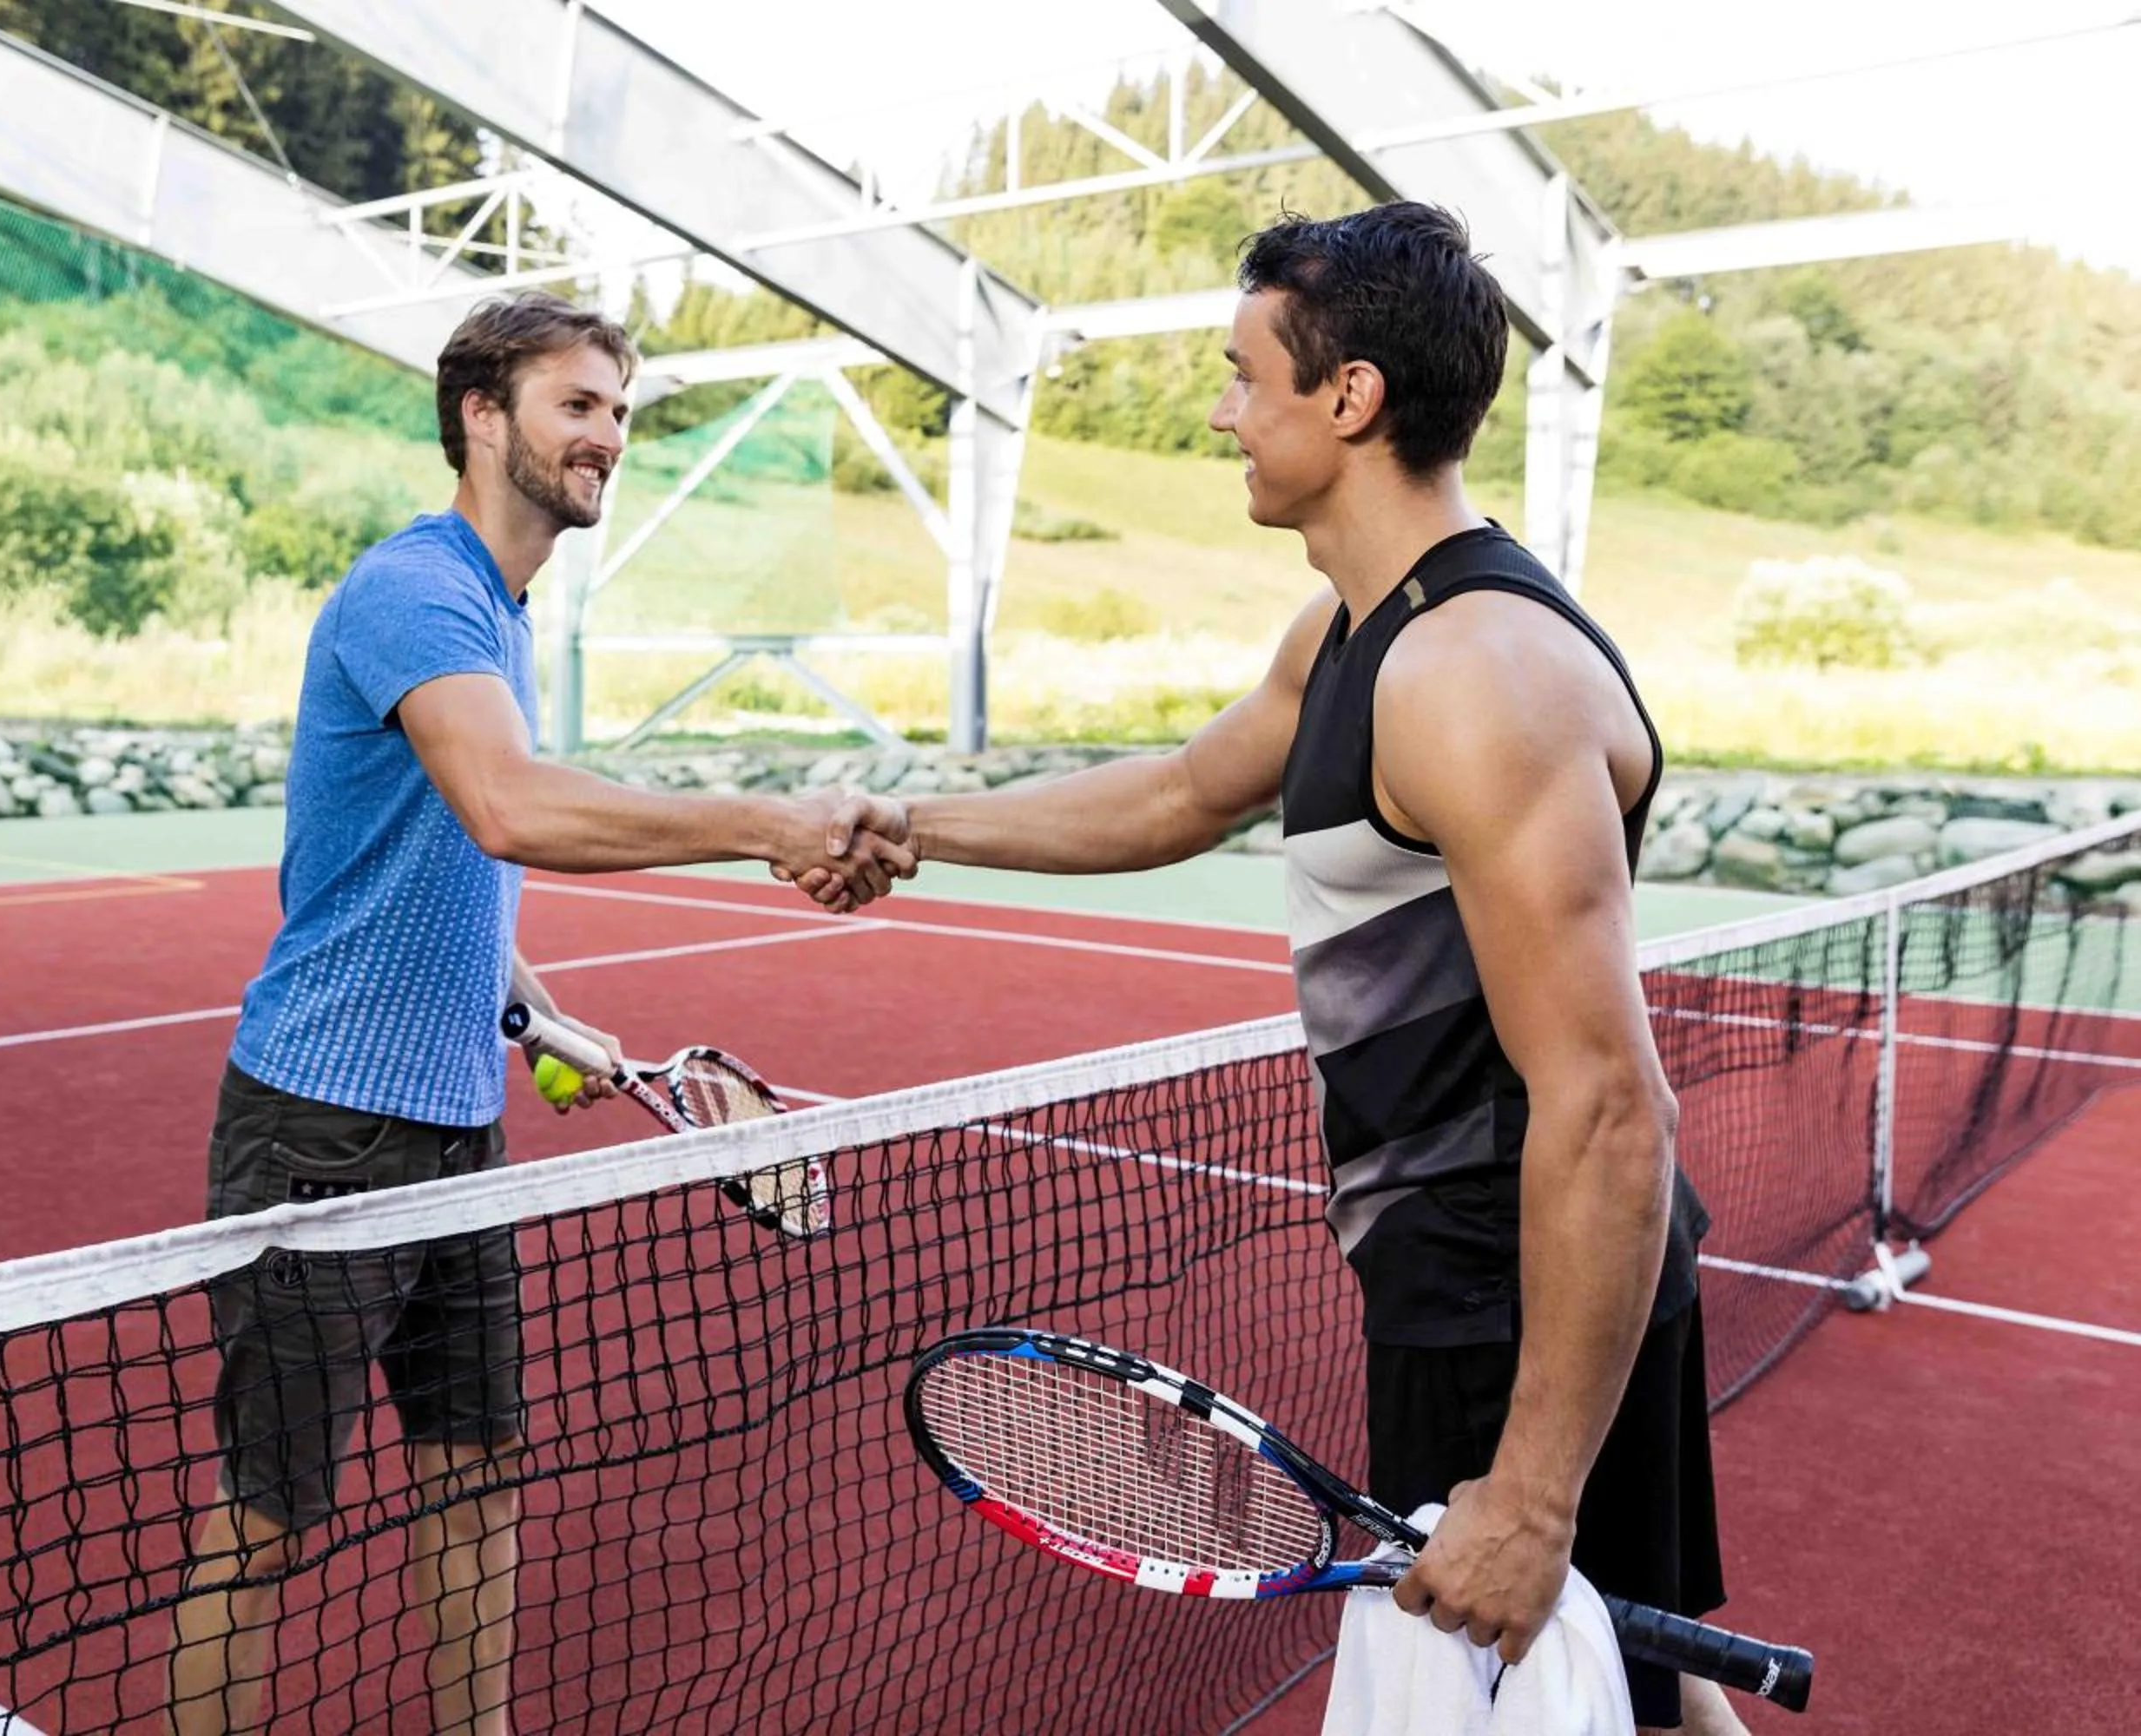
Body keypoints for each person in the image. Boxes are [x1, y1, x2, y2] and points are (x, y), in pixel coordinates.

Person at [798, 204, 1743, 1735]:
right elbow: (1180, 796)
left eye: (1247, 376)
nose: (1225, 411)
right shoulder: (1359, 630)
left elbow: (1611, 1108)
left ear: (1350, 398)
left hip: (1515, 1297)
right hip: (1461, 1272)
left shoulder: (1478, 678)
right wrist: (915, 826)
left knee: (1564, 1704)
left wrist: (1531, 1492)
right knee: (1653, 1700)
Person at [169, 290, 912, 1736]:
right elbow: (506, 808)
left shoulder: (496, 616)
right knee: (268, 1519)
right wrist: (769, 818)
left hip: (457, 1135)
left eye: (620, 412)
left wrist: (530, 1009)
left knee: (478, 1475)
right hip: (320, 1133)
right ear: (482, 417)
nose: (608, 437)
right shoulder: (415, 591)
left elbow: (428, 862)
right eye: (578, 405)